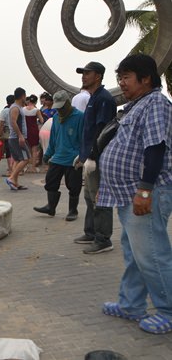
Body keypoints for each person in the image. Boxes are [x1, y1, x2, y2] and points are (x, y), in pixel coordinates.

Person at [97, 54, 172, 334]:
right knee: (135, 252)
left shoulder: (155, 104)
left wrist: (144, 190)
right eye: (120, 77)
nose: (122, 83)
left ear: (146, 79)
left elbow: (156, 148)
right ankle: (131, 304)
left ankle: (168, 310)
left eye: (127, 77)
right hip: (128, 192)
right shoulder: (136, 105)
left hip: (146, 192)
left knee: (152, 254)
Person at [72, 61, 117, 254]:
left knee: (100, 198)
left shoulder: (104, 99)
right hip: (89, 156)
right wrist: (82, 155)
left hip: (98, 158)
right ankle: (90, 232)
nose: (83, 76)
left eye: (87, 73)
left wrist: (92, 156)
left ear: (98, 76)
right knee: (89, 197)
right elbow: (89, 131)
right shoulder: (93, 97)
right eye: (83, 73)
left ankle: (103, 239)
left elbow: (103, 131)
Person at [33, 91, 84, 221]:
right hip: (57, 157)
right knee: (50, 182)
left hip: (73, 159)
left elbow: (85, 139)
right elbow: (53, 139)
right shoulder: (56, 118)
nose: (60, 110)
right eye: (58, 107)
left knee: (74, 186)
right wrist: (47, 154)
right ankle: (51, 207)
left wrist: (82, 157)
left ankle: (73, 210)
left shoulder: (80, 117)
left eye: (62, 107)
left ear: (67, 103)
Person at [5, 87, 30, 191]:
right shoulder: (15, 108)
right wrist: (20, 136)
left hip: (15, 138)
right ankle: (11, 178)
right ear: (22, 96)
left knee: (17, 160)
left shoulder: (17, 107)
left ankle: (15, 182)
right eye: (25, 96)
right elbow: (13, 122)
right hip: (16, 138)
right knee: (26, 159)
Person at [24, 94, 45, 173]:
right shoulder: (36, 110)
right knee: (34, 149)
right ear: (36, 102)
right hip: (34, 130)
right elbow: (42, 120)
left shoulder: (23, 109)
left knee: (27, 149)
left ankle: (26, 166)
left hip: (26, 130)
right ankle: (33, 167)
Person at [0, 94, 15, 176]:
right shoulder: (16, 109)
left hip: (7, 132)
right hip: (15, 131)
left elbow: (1, 124)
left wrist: (0, 134)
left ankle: (10, 170)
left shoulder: (4, 111)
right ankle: (15, 169)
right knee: (15, 151)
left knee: (9, 152)